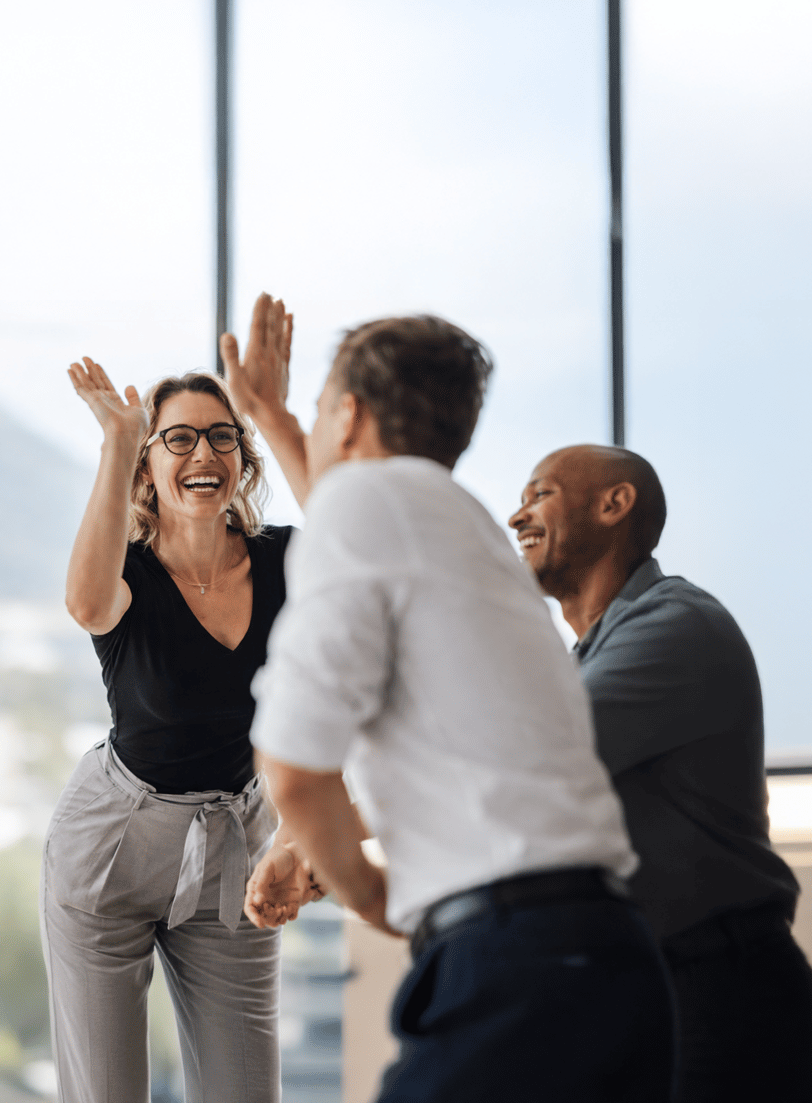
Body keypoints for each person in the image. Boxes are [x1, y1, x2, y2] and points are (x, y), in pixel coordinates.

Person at [234, 315, 677, 1103]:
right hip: (614, 959)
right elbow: (357, 508)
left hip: (515, 965)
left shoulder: (368, 511)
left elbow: (294, 770)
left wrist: (374, 898)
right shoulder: (463, 528)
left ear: (350, 415)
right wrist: (275, 419)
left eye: (323, 401)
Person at [44, 315, 318, 1103]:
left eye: (223, 437)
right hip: (112, 847)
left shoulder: (288, 560)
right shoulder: (126, 570)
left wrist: (274, 413)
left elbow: (365, 544)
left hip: (234, 845)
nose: (204, 452)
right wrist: (114, 441)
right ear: (147, 469)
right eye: (178, 439)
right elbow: (86, 602)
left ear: (244, 459)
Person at [507, 444, 812, 1102]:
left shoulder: (677, 626)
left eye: (539, 494)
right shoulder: (584, 661)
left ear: (614, 503)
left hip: (716, 989)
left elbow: (532, 762)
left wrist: (324, 839)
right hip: (640, 992)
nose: (517, 516)